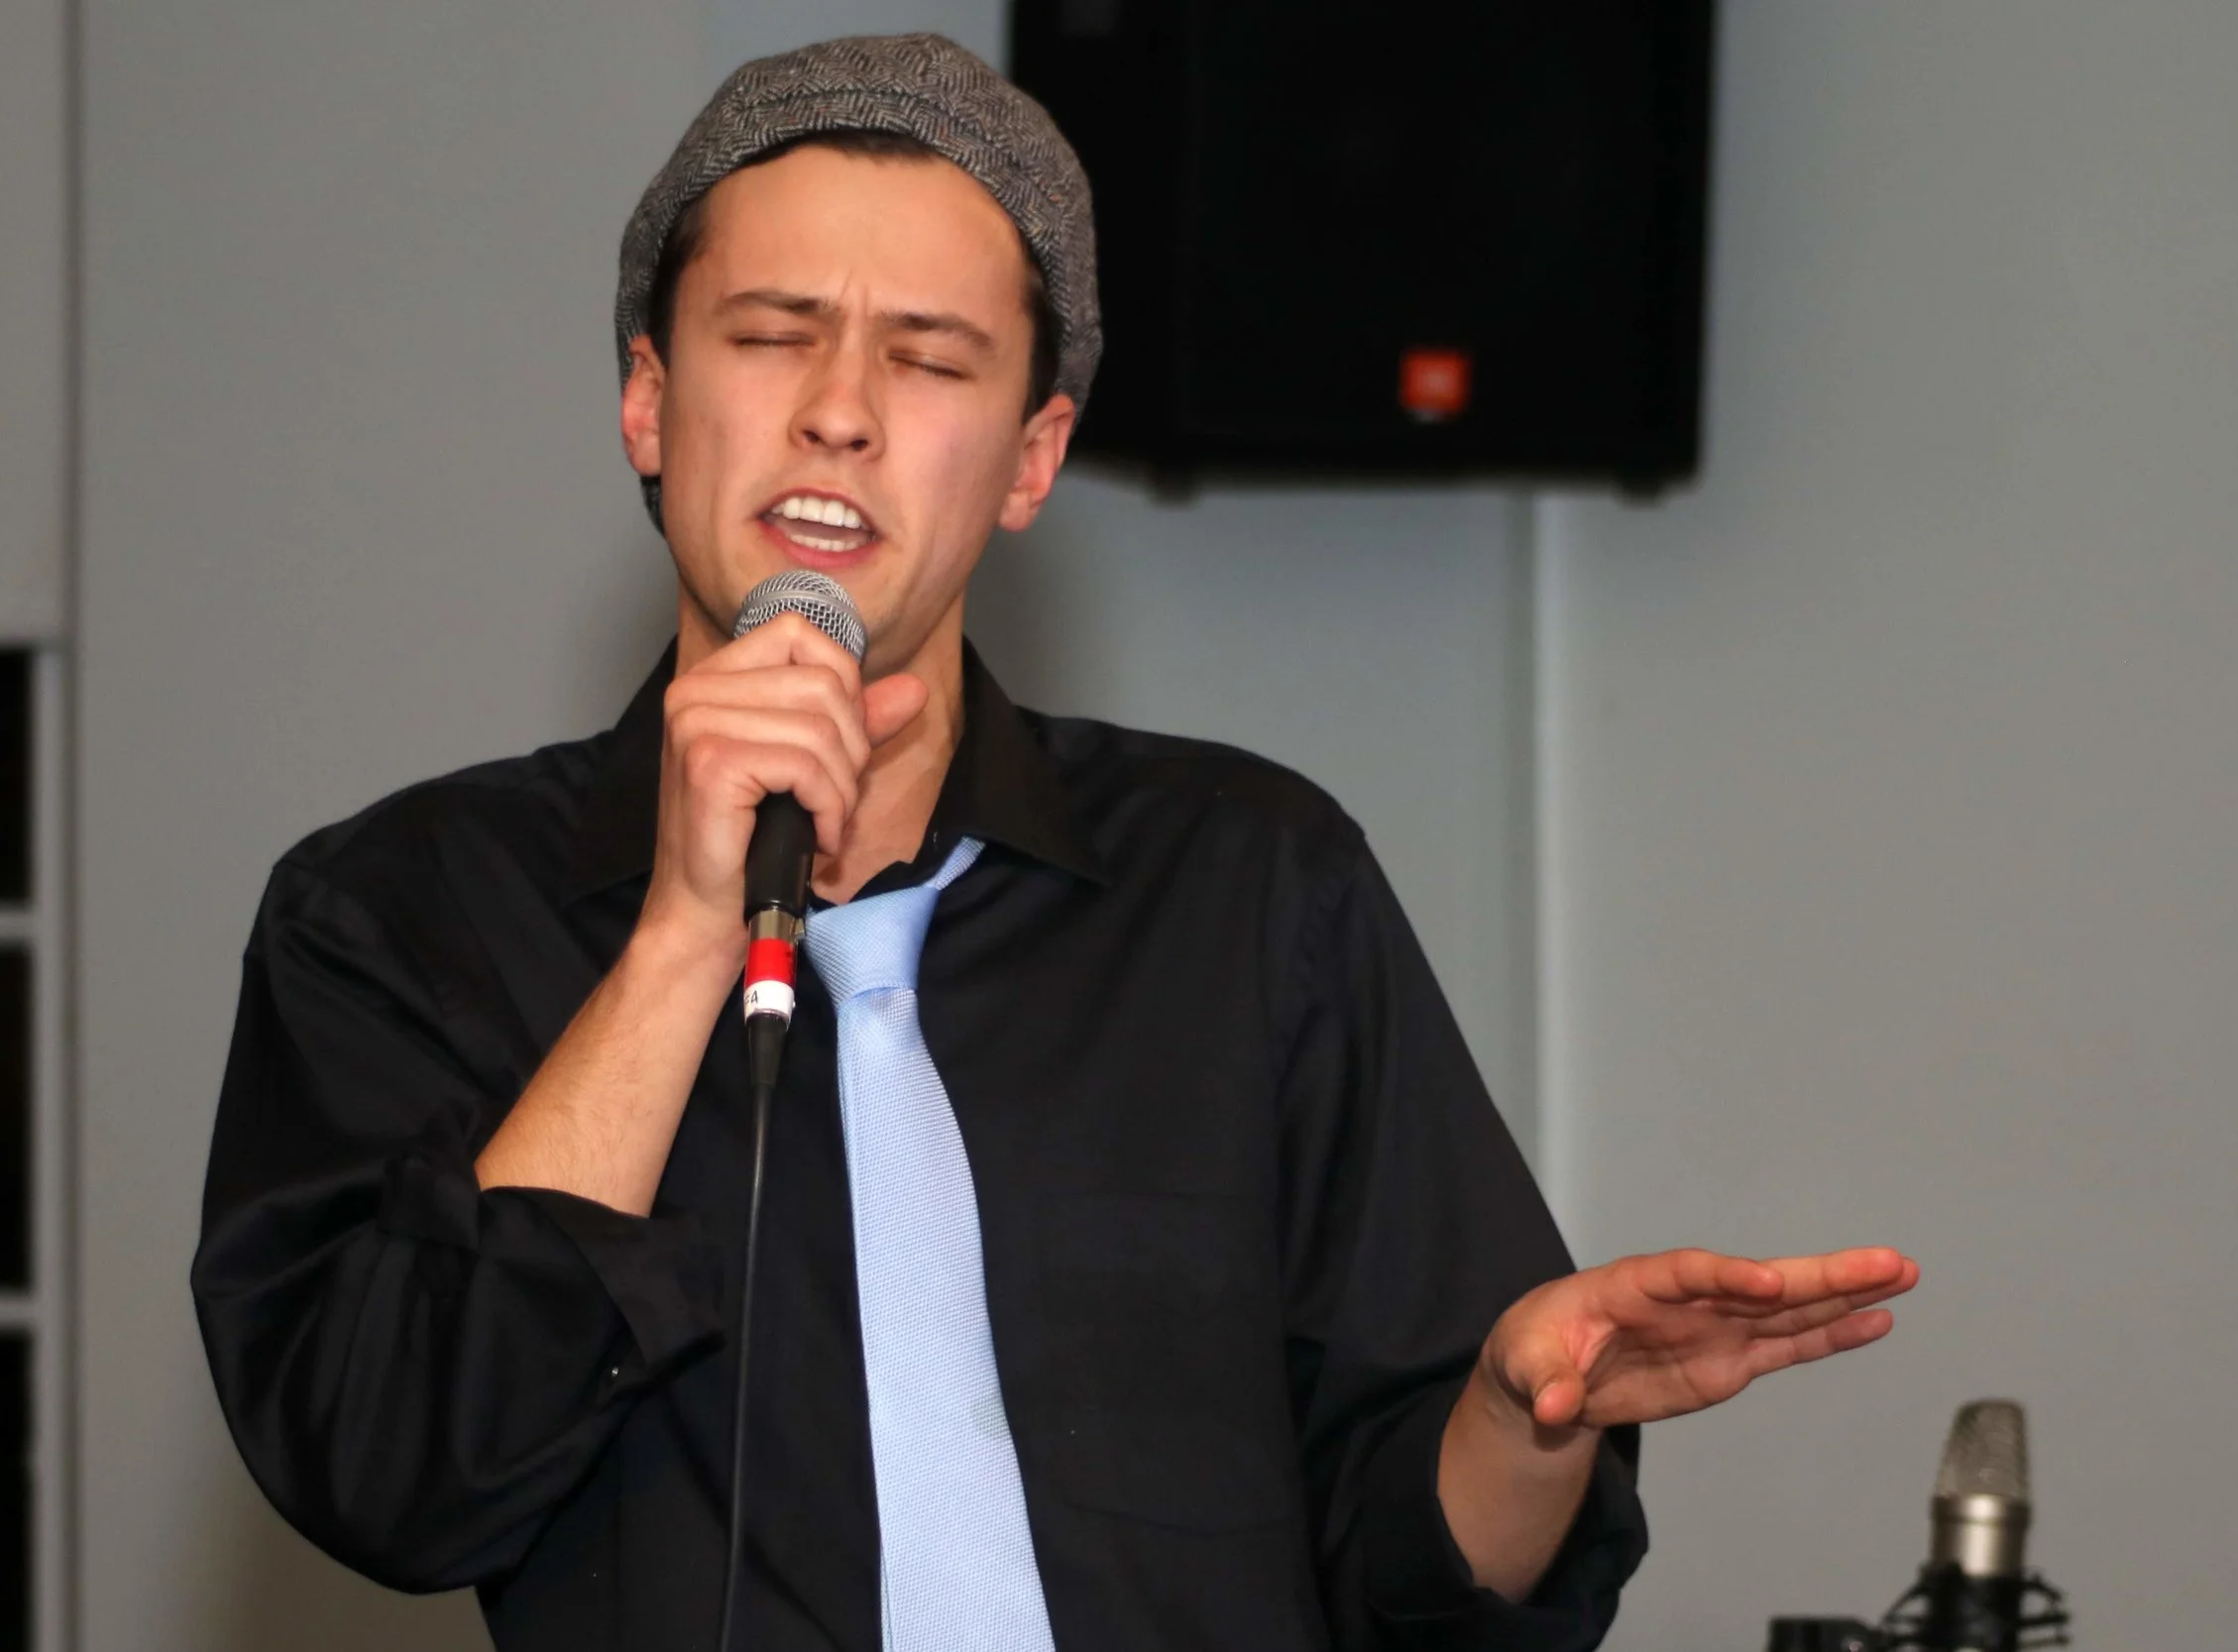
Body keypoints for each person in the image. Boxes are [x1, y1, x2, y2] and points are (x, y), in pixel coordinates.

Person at [191, 33, 1916, 1652]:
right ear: (649, 402)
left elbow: (1422, 1587)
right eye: (774, 333)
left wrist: (1519, 1417)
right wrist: (681, 933)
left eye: (929, 357)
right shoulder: (401, 910)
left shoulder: (1251, 881)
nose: (841, 411)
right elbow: (389, 1471)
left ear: (1032, 459)